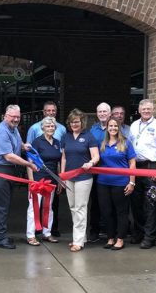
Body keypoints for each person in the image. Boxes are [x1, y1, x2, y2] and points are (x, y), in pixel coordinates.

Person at [0, 104, 38, 249]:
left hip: (7, 171)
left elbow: (16, 143)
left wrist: (23, 146)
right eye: (12, 117)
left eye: (18, 117)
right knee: (1, 206)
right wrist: (28, 165)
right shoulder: (2, 131)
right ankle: (0, 238)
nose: (15, 119)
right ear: (5, 116)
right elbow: (8, 156)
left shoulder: (13, 129)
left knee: (1, 205)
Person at [128, 99, 156, 249]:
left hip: (151, 166)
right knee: (136, 202)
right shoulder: (133, 126)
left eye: (149, 109)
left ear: (153, 110)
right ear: (139, 110)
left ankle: (149, 237)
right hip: (136, 167)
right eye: (143, 109)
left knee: (150, 204)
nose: (146, 111)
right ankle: (138, 232)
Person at [61, 108, 99, 252]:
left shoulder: (89, 136)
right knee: (72, 207)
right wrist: (62, 175)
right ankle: (80, 237)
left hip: (84, 177)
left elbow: (96, 156)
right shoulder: (66, 137)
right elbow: (64, 157)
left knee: (81, 208)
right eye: (71, 122)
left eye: (76, 122)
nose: (74, 124)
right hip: (69, 177)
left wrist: (91, 163)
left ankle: (78, 241)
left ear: (82, 122)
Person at [26, 100, 66, 237]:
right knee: (34, 207)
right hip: (38, 178)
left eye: (52, 126)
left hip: (52, 179)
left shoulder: (57, 142)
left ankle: (47, 233)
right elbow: (30, 161)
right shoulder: (37, 142)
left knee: (48, 208)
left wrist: (60, 178)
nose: (50, 128)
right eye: (47, 126)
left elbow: (59, 161)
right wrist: (30, 180)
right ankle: (31, 235)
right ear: (42, 127)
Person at [97, 118, 137, 251]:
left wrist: (132, 182)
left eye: (115, 126)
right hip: (103, 183)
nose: (113, 128)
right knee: (106, 212)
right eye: (110, 126)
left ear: (119, 128)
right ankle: (110, 238)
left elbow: (132, 163)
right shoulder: (102, 143)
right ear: (107, 127)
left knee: (121, 212)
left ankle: (120, 239)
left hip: (120, 183)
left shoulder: (125, 143)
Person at [88, 102, 111, 242]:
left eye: (105, 111)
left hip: (113, 170)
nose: (102, 114)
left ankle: (110, 231)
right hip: (96, 171)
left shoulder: (114, 127)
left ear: (109, 113)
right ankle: (94, 230)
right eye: (100, 112)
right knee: (95, 202)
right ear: (97, 114)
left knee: (111, 202)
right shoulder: (92, 129)